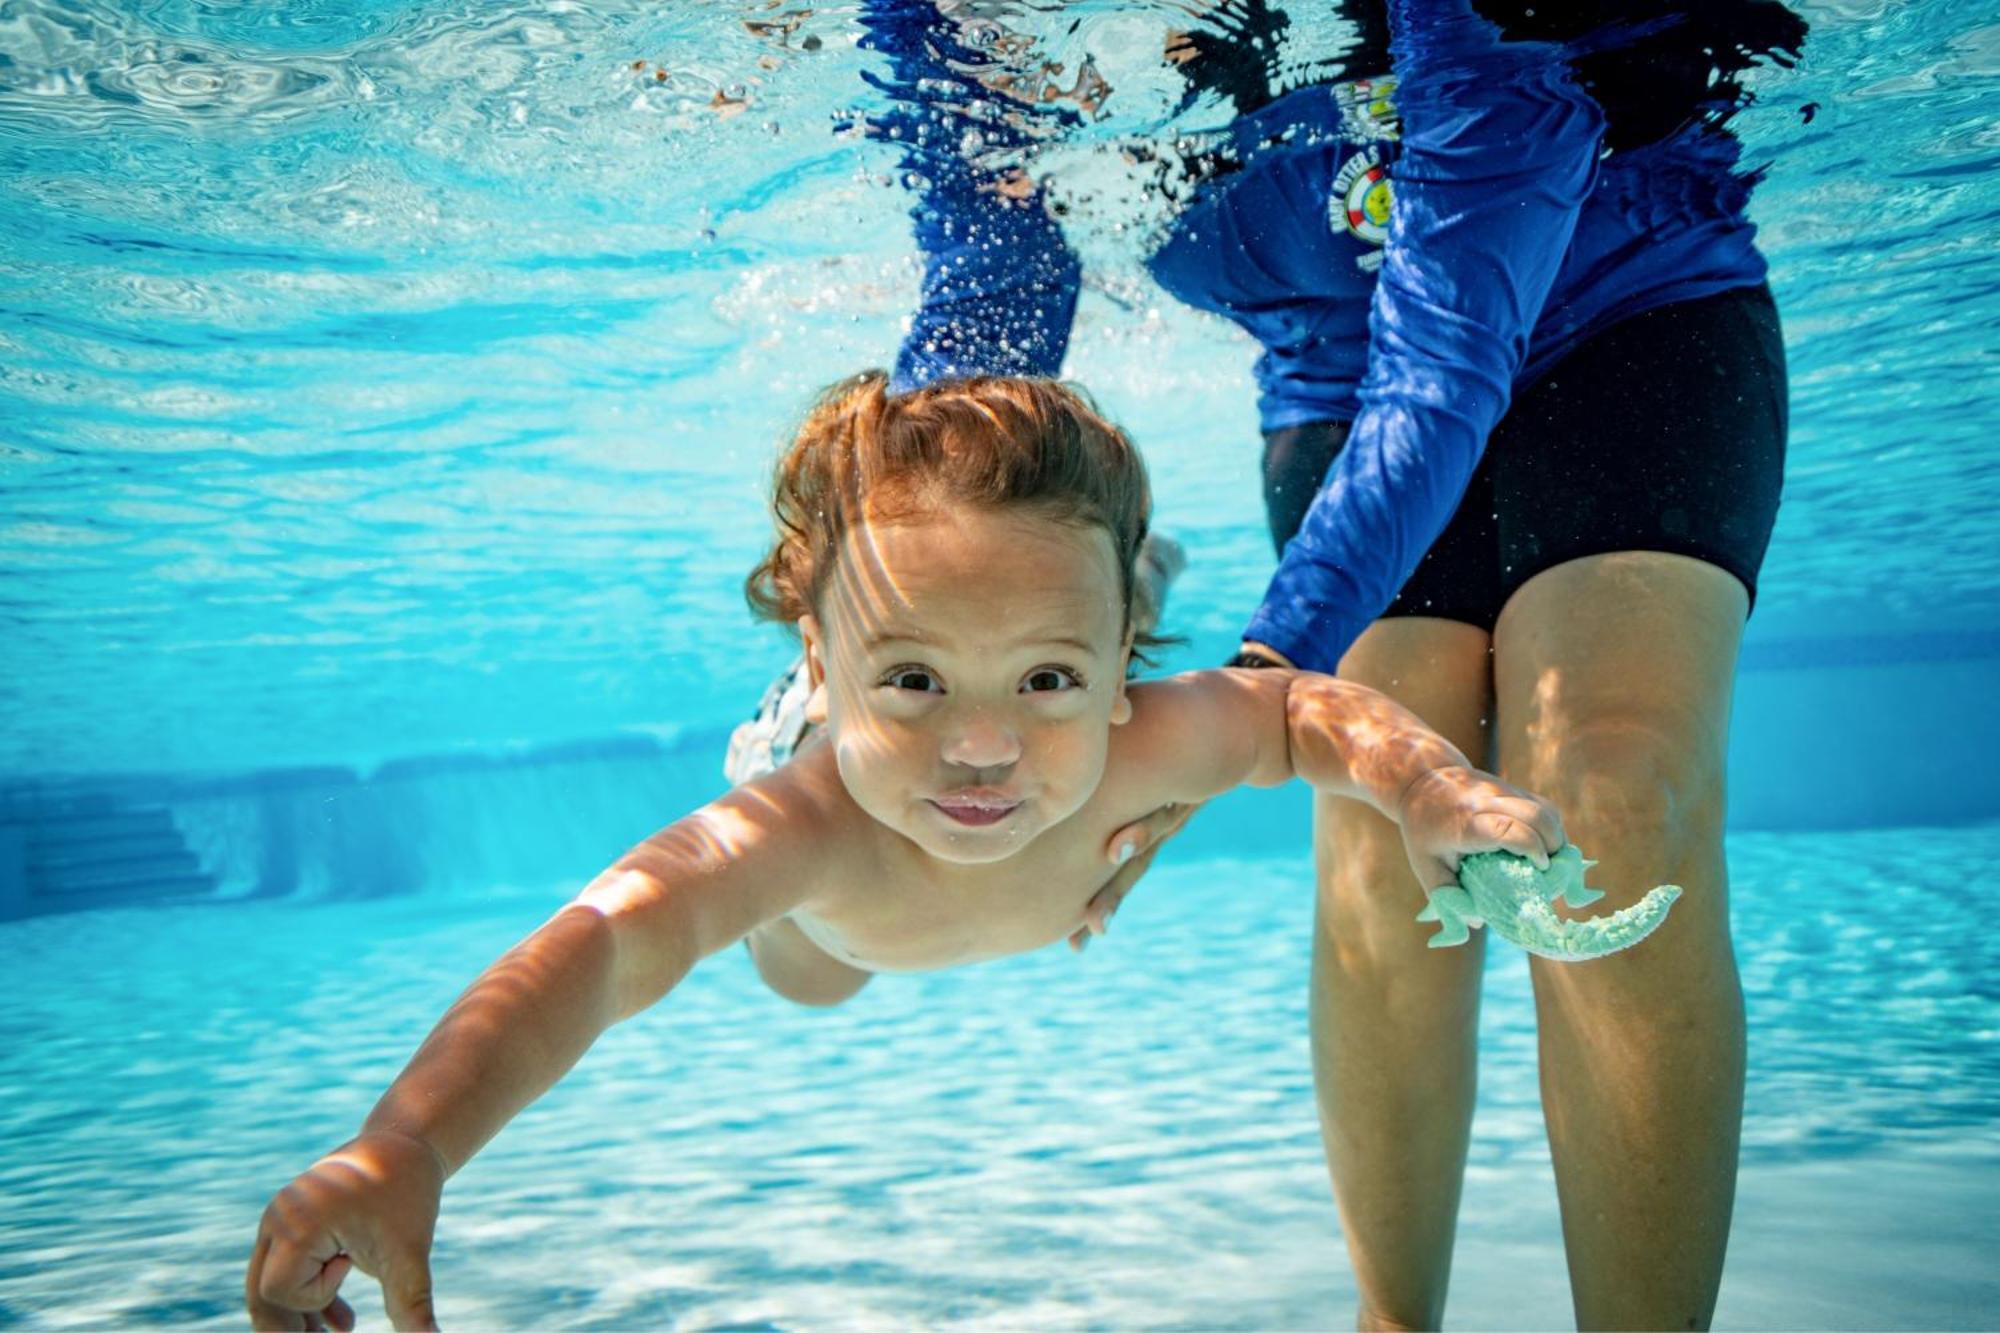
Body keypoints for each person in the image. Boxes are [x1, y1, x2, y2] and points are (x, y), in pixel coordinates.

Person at [243, 371, 1569, 1332]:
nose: (983, 749)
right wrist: (405, 1143)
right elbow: (605, 943)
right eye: (917, 682)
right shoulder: (802, 828)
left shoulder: (1154, 740)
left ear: (1123, 669)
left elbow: (1298, 709)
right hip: (832, 929)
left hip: (995, 770)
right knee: (813, 969)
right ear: (823, 668)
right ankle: (859, 696)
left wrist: (1430, 787)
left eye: (1048, 677)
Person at [843, 0, 1802, 1325]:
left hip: (1625, 306)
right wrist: (875, 614)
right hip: (1337, 390)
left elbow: (1446, 365)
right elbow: (996, 284)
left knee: (1611, 801)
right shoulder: (948, 19)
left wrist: (1257, 679)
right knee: (1376, 825)